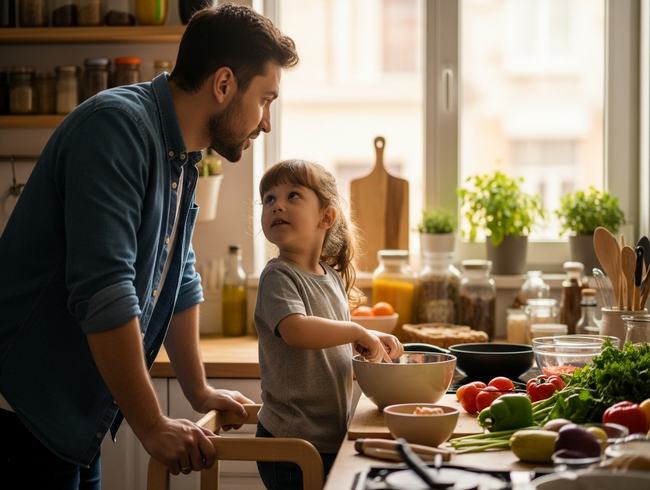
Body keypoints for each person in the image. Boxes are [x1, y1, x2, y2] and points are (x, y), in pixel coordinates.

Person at [0, 4, 299, 489]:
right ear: (223, 85)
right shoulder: (116, 129)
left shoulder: (181, 154)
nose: (266, 122)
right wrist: (152, 424)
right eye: (265, 99)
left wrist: (198, 390)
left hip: (72, 415)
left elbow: (177, 275)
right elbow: (104, 290)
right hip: (23, 411)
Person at [254, 159, 404, 488]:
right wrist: (355, 330)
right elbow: (296, 331)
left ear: (326, 216)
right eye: (268, 199)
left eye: (292, 195)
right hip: (290, 442)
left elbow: (330, 336)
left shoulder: (330, 277)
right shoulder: (277, 275)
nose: (277, 204)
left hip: (325, 436)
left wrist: (369, 337)